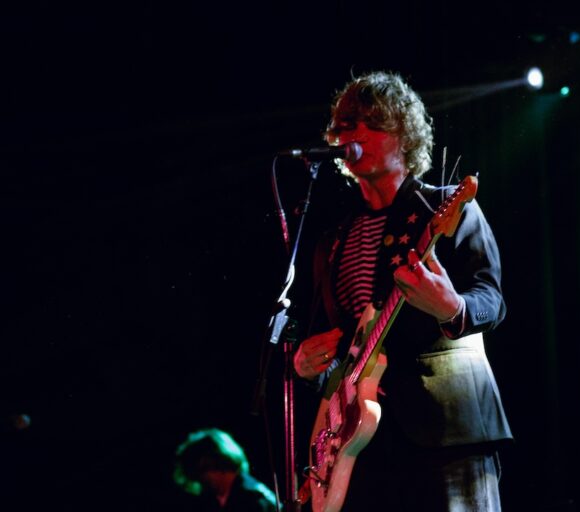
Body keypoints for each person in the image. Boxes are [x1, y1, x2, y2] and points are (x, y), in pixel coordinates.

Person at [293, 71, 513, 511]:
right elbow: (335, 345)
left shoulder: (447, 207)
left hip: (446, 427)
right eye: (346, 124)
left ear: (405, 136)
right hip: (363, 443)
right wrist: (307, 364)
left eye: (372, 122)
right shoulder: (333, 242)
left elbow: (491, 299)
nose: (354, 133)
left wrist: (452, 308)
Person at [173, 428, 279, 511]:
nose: (200, 480)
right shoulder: (223, 496)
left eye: (201, 471)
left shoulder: (252, 499)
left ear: (216, 462)